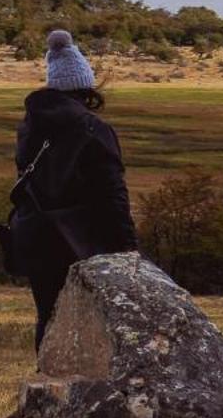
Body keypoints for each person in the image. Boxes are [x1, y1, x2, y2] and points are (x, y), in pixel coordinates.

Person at [11, 30, 139, 346]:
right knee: (96, 327)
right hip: (82, 242)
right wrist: (128, 249)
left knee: (49, 317)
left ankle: (46, 387)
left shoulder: (31, 125)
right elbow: (113, 196)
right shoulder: (92, 129)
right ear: (84, 86)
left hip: (35, 235)